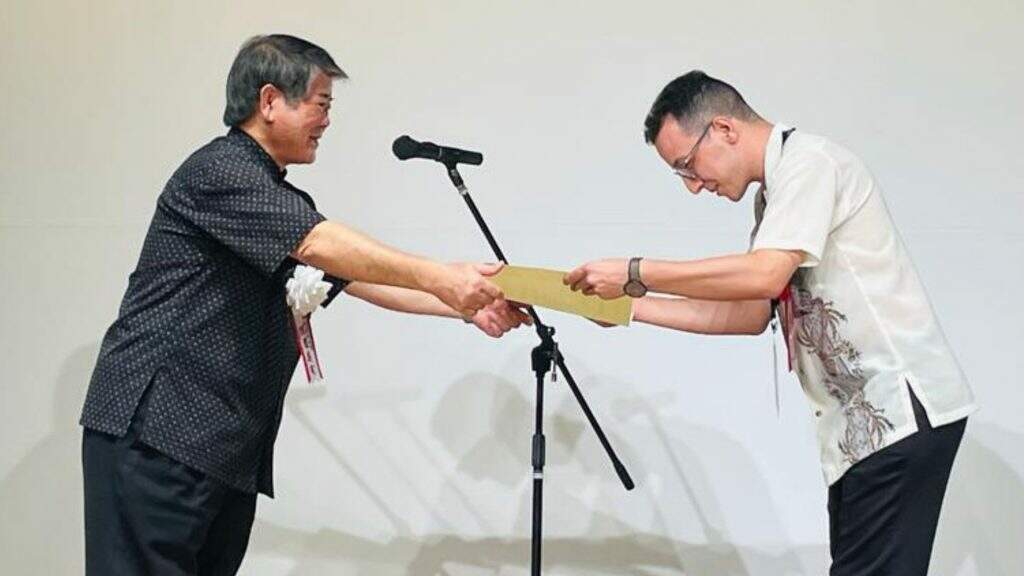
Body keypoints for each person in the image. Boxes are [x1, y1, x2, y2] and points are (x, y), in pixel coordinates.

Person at [79, 34, 529, 575]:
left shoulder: (278, 201)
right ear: (270, 101)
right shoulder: (220, 172)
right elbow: (321, 245)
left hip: (217, 447)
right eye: (322, 104)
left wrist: (464, 305)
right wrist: (443, 279)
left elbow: (349, 274)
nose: (327, 121)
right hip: (159, 435)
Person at [565, 70, 976, 575]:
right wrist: (629, 305)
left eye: (688, 166)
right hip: (862, 430)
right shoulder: (776, 193)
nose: (694, 187)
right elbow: (749, 312)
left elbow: (763, 275)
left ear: (724, 129)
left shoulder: (810, 165)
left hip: (897, 412)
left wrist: (636, 271)